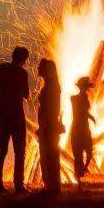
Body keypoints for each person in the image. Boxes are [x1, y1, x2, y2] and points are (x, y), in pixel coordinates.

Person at [0, 46, 30, 194]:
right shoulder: (22, 73)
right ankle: (19, 185)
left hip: (1, 114)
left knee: (1, 149)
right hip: (16, 116)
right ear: (24, 59)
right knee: (20, 152)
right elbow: (26, 95)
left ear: (13, 55)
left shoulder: (0, 68)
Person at [36, 58, 63, 193]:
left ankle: (51, 186)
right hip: (49, 124)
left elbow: (51, 108)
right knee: (50, 154)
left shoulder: (51, 87)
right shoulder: (51, 85)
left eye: (40, 67)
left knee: (49, 155)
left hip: (49, 126)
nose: (37, 69)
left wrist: (44, 126)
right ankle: (52, 185)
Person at [70, 77, 95, 182]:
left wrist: (90, 116)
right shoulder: (74, 98)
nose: (85, 89)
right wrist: (89, 116)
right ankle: (79, 178)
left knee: (87, 152)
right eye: (84, 86)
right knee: (79, 154)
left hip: (82, 127)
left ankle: (83, 170)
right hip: (79, 127)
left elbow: (83, 111)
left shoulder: (81, 98)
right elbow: (80, 112)